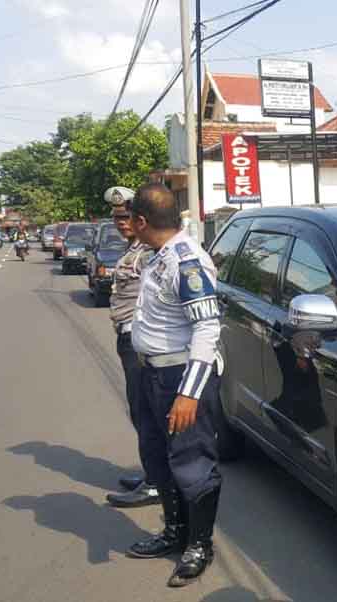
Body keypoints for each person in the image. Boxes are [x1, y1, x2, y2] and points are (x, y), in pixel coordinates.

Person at [126, 183, 222, 587]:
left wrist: (188, 393)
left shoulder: (187, 264)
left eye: (131, 218)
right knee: (159, 454)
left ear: (143, 221)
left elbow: (207, 327)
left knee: (192, 463)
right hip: (153, 373)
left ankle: (199, 545)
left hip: (180, 378)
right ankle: (173, 533)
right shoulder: (158, 256)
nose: (128, 225)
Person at [103, 186, 160, 509]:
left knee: (145, 411)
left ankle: (155, 483)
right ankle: (152, 474)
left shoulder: (149, 250)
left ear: (140, 217)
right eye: (116, 217)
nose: (121, 222)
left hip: (139, 339)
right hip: (127, 336)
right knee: (141, 411)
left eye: (126, 216)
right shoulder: (132, 249)